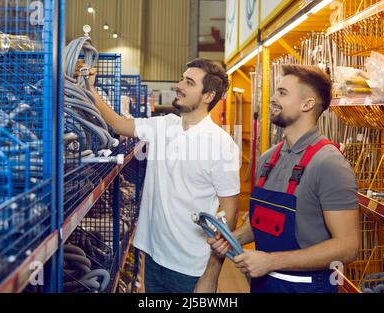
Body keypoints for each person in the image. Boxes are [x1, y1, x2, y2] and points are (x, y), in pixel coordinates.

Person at [88, 58, 240, 293]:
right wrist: (90, 89)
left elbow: (229, 216)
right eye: (181, 78)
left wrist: (212, 273)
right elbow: (117, 123)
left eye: (189, 82)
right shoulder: (163, 125)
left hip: (190, 266)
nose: (179, 85)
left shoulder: (222, 145)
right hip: (153, 254)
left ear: (208, 96)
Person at [208, 65, 360, 293]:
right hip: (263, 284)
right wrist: (233, 237)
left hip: (306, 288)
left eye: (282, 93)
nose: (273, 98)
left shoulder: (329, 164)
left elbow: (348, 247)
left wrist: (271, 261)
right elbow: (264, 223)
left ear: (307, 104)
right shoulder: (268, 159)